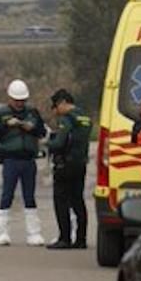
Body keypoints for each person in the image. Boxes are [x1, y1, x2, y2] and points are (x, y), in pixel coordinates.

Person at [0, 79, 47, 246]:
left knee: (29, 196)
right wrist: (6, 125)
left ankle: (34, 233)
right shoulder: (2, 113)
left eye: (22, 100)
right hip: (11, 159)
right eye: (17, 100)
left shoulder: (33, 112)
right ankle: (3, 233)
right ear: (10, 98)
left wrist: (32, 128)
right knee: (7, 195)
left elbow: (41, 131)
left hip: (28, 159)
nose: (20, 103)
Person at [46, 89, 92, 250]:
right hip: (80, 164)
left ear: (63, 102)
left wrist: (46, 144)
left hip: (65, 165)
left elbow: (59, 143)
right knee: (78, 201)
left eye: (56, 106)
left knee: (61, 202)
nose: (56, 111)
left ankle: (64, 238)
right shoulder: (85, 117)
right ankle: (81, 239)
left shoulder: (66, 119)